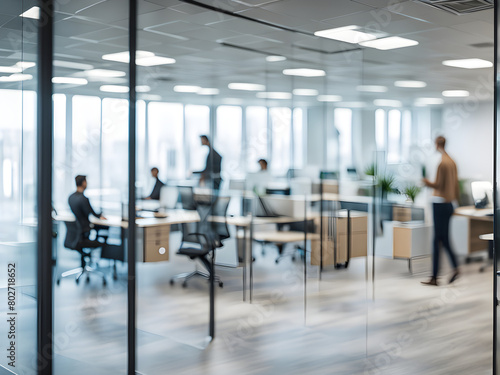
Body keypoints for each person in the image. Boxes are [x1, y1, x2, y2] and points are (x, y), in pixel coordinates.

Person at [421, 136, 460, 286]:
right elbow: (455, 185)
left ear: (437, 144)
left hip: (439, 203)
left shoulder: (441, 163)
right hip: (449, 203)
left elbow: (437, 184)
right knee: (443, 238)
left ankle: (434, 277)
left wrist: (425, 182)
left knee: (437, 240)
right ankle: (454, 268)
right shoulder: (452, 161)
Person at [68, 175, 107, 247]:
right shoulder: (83, 199)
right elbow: (91, 212)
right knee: (105, 232)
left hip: (78, 229)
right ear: (83, 183)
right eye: (86, 182)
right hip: (85, 229)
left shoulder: (71, 197)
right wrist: (99, 216)